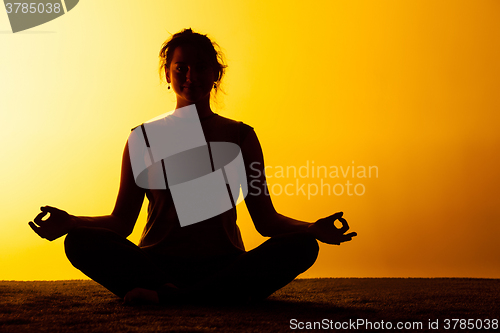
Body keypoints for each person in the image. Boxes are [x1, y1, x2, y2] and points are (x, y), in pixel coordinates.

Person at [29, 28, 357, 305]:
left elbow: (266, 219)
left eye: (201, 68)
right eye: (181, 68)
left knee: (302, 247)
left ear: (217, 73)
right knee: (78, 241)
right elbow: (121, 221)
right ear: (167, 74)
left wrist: (310, 228)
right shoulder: (142, 138)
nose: (191, 77)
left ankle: (174, 298)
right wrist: (71, 221)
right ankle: (201, 297)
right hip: (155, 265)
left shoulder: (241, 136)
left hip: (225, 264)